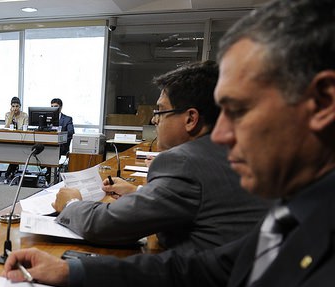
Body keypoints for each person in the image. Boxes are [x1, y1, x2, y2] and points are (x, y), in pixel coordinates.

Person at [4, 0, 335, 287]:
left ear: (322, 102)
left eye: (238, 111)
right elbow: (196, 273)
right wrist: (72, 271)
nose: (224, 136)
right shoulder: (298, 210)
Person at [53, 61, 269, 253]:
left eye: (160, 111)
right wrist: (139, 192)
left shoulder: (184, 162)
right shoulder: (232, 152)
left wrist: (71, 204)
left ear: (191, 119)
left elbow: (109, 226)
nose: (155, 121)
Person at [4, 96, 30, 181]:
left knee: (17, 150)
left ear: (20, 106)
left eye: (17, 106)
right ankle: (11, 170)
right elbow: (7, 127)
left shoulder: (24, 115)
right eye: (13, 106)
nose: (15, 108)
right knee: (12, 149)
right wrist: (11, 116)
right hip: (10, 138)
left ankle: (10, 170)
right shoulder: (8, 114)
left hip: (22, 138)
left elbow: (25, 128)